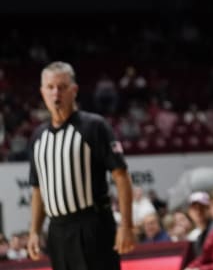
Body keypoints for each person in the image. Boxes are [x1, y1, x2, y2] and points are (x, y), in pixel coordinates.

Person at [26, 61, 135, 270]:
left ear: (74, 90)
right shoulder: (37, 137)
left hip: (93, 225)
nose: (55, 93)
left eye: (62, 87)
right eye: (50, 87)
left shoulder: (94, 126)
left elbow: (121, 176)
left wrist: (127, 226)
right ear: (42, 92)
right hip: (57, 231)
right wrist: (34, 231)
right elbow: (38, 189)